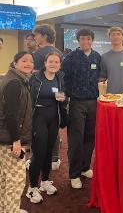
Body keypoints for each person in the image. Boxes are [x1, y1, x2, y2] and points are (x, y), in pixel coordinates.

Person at [62, 29, 101, 189]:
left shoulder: (97, 57)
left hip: (93, 102)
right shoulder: (70, 58)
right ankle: (74, 173)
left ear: (92, 40)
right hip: (76, 102)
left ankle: (85, 167)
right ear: (78, 41)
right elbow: (62, 78)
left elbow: (101, 77)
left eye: (88, 39)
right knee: (76, 139)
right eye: (82, 39)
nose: (85, 42)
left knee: (90, 136)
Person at [26, 52, 65, 204]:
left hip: (53, 118)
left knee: (49, 151)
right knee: (39, 152)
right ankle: (32, 188)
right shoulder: (35, 78)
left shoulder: (59, 78)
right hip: (38, 118)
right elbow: (27, 99)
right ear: (45, 62)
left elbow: (62, 95)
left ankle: (45, 181)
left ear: (59, 64)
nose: (53, 64)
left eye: (56, 62)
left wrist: (63, 98)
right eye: (51, 61)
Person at [0, 51, 34, 213]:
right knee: (15, 181)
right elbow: (10, 114)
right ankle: (11, 210)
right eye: (24, 61)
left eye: (31, 61)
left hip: (5, 137)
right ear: (15, 63)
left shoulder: (16, 79)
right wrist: (16, 140)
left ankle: (6, 208)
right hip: (10, 139)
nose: (28, 64)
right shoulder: (14, 83)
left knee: (5, 178)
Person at [32, 24, 62, 170]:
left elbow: (31, 75)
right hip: (56, 96)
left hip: (40, 98)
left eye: (36, 35)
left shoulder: (38, 54)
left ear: (43, 36)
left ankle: (37, 159)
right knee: (53, 129)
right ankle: (55, 158)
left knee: (39, 131)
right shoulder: (58, 52)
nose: (35, 38)